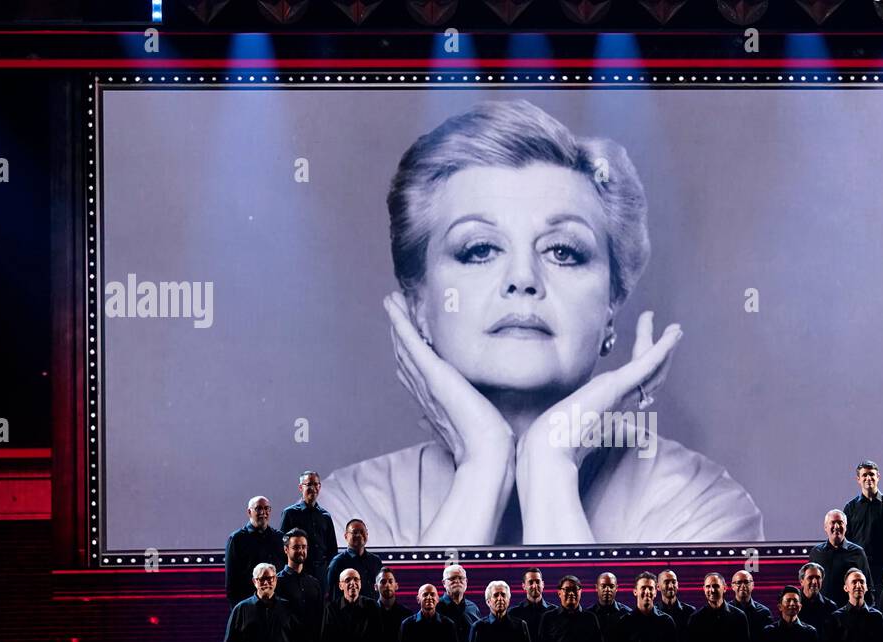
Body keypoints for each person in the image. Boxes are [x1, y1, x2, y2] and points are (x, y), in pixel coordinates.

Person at [316, 99, 764, 546]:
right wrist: (483, 466)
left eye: (563, 251)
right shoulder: (347, 510)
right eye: (479, 250)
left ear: (613, 303)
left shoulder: (702, 506)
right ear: (418, 306)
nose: (523, 279)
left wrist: (551, 463)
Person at [842, 460, 883, 597]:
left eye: (871, 474)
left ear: (878, 477)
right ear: (858, 479)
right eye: (864, 475)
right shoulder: (850, 508)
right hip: (858, 568)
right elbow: (847, 541)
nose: (868, 478)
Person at [224, 496, 285, 609]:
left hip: (275, 607)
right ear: (249, 512)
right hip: (249, 607)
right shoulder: (237, 539)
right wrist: (238, 612)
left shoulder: (279, 538)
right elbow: (231, 584)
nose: (263, 512)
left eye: (267, 508)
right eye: (258, 508)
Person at [279, 471, 338, 587]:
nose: (313, 488)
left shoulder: (325, 516)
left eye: (316, 484)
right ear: (301, 487)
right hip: (298, 572)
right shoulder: (290, 513)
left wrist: (328, 572)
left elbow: (332, 549)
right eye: (309, 484)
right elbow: (282, 546)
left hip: (321, 575)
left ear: (320, 487)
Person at [808, 509, 873, 605]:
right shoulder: (816, 553)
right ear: (825, 527)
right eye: (833, 523)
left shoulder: (857, 552)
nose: (837, 526)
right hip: (822, 613)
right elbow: (809, 585)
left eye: (840, 522)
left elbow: (868, 586)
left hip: (848, 614)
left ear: (846, 527)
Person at [324, 519, 383, 602]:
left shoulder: (376, 561)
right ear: (346, 536)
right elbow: (331, 596)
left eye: (362, 531)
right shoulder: (338, 562)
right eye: (354, 532)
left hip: (374, 612)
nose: (359, 535)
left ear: (367, 534)